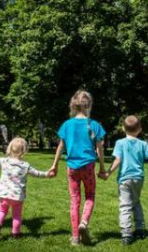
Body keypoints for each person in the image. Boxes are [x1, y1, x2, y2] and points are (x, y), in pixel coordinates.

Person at [100, 115, 148, 245]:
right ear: (139, 129)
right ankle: (140, 229)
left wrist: (108, 173)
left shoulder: (120, 143)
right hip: (138, 179)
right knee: (136, 203)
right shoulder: (142, 144)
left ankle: (127, 234)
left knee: (125, 206)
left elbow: (117, 159)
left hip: (124, 179)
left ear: (123, 128)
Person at [50, 90, 107, 246]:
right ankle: (84, 223)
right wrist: (102, 167)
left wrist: (54, 165)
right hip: (88, 166)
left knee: (74, 199)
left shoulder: (67, 125)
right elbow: (100, 148)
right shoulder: (94, 125)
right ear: (88, 105)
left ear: (74, 105)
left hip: (72, 168)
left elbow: (60, 147)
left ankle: (75, 237)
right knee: (90, 195)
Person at [0, 138, 54, 242]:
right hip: (17, 197)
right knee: (16, 215)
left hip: (4, 195)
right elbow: (37, 173)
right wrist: (47, 174)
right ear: (24, 151)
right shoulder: (25, 166)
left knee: (2, 211)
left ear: (9, 148)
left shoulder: (4, 161)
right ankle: (15, 233)